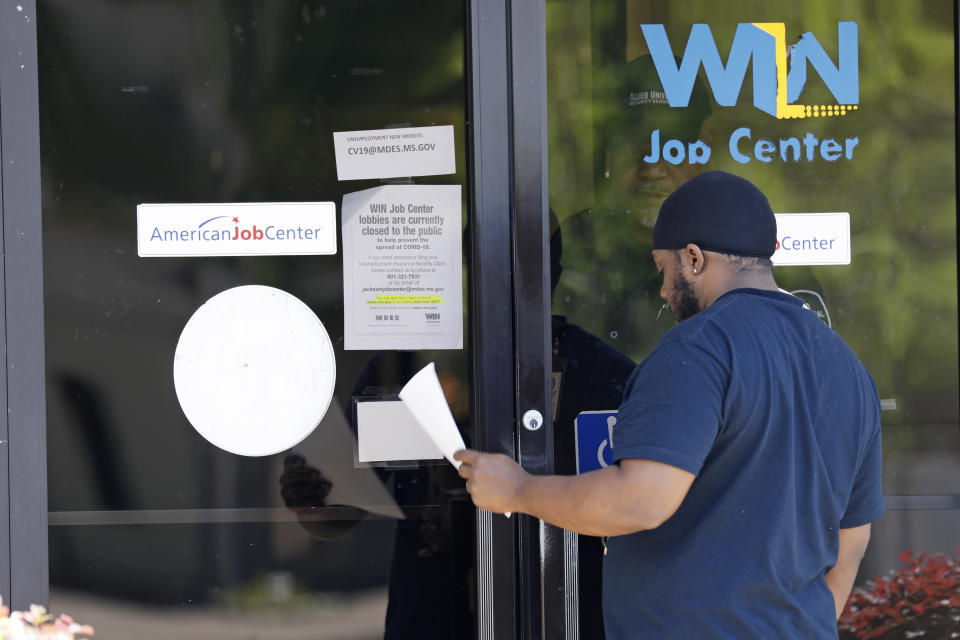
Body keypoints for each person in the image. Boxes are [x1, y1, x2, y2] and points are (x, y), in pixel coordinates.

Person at [455, 171, 885, 638]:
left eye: (663, 269)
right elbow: (851, 544)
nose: (662, 291)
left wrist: (516, 490)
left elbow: (640, 500)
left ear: (694, 258)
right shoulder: (848, 367)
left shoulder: (698, 348)